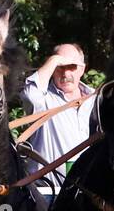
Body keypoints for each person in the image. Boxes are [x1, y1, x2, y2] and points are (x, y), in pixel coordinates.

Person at [20, 42, 97, 193]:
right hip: (48, 193)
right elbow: (30, 95)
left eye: (72, 66)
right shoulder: (44, 100)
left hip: (84, 197)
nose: (66, 73)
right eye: (60, 66)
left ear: (82, 69)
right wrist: (54, 60)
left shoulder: (95, 101)